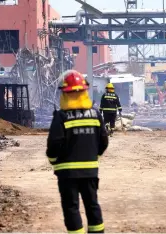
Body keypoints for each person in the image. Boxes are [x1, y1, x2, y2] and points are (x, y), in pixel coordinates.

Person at [46, 70, 108, 233]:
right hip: (90, 170)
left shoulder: (61, 116)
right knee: (92, 204)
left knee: (71, 207)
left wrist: (53, 160)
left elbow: (54, 143)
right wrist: (95, 156)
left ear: (65, 95)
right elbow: (103, 141)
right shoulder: (95, 114)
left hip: (67, 173)